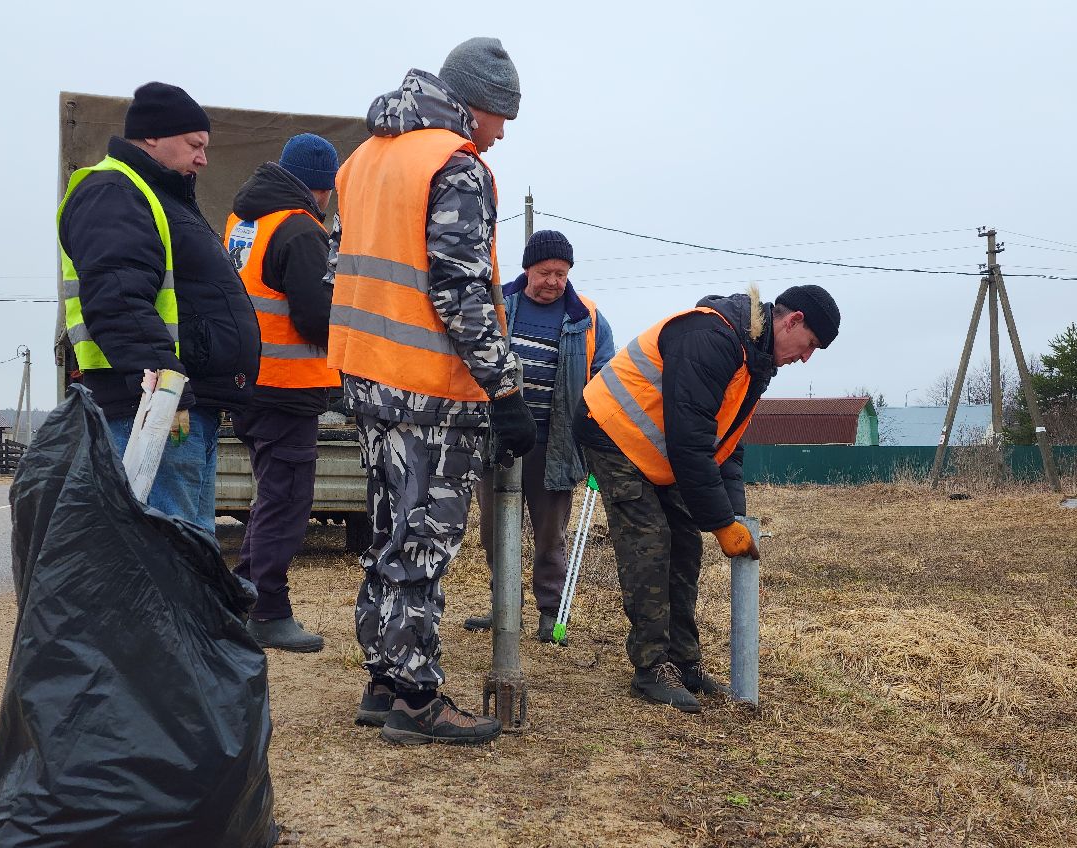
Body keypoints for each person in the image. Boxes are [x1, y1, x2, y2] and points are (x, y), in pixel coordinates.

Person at [327, 38, 534, 746]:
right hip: (431, 391)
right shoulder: (453, 166)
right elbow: (460, 288)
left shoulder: (360, 162)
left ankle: (384, 678)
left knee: (389, 531)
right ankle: (416, 698)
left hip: (368, 381)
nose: (501, 133)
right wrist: (503, 390)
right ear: (472, 106)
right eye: (500, 116)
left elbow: (336, 270)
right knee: (424, 541)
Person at [576, 285, 840, 711]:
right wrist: (720, 523)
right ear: (792, 322)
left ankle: (683, 661)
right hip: (612, 431)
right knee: (650, 542)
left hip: (659, 450)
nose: (806, 358)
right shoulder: (711, 339)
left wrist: (734, 514)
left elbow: (726, 444)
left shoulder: (755, 363)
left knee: (685, 544)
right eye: (809, 345)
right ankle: (650, 668)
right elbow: (690, 443)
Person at [57, 82, 260, 531]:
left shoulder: (160, 196)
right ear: (152, 136)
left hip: (175, 405)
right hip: (150, 409)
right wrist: (166, 397)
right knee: (170, 552)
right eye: (195, 144)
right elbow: (118, 300)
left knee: (190, 545)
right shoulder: (114, 192)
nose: (203, 158)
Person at [462, 229, 613, 642]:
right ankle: (503, 607)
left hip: (556, 445)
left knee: (551, 535)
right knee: (495, 531)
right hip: (499, 441)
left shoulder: (588, 318)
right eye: (546, 272)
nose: (554, 281)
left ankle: (550, 612)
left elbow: (605, 376)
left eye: (562, 274)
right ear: (528, 268)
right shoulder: (499, 306)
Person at [221, 134, 341, 651]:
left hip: (250, 384)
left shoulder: (244, 221)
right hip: (286, 388)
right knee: (286, 502)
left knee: (270, 496)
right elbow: (316, 318)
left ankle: (245, 598)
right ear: (324, 188)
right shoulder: (300, 229)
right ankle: (267, 609)